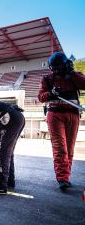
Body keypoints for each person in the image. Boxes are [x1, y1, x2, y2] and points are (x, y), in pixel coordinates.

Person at [38, 52, 85, 190]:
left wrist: (72, 73)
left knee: (69, 148)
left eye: (59, 67)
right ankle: (62, 178)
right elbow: (41, 97)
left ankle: (66, 176)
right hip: (55, 115)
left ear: (66, 65)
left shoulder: (75, 76)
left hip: (73, 114)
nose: (57, 70)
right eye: (54, 68)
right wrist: (50, 93)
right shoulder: (47, 79)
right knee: (60, 148)